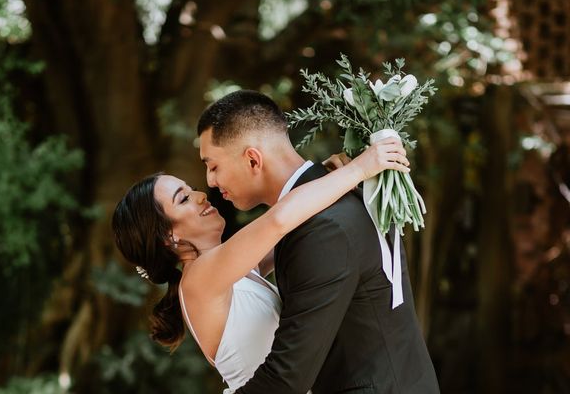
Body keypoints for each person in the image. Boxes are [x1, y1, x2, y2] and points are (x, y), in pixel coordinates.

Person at [112, 122, 409, 391]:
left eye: (191, 190)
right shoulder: (199, 281)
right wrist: (359, 168)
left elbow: (294, 226)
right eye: (184, 198)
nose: (201, 195)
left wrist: (326, 175)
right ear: (168, 236)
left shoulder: (229, 272)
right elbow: (278, 221)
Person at [197, 90, 440, 393]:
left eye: (213, 165)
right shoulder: (348, 191)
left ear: (252, 159)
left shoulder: (321, 228)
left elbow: (287, 379)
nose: (209, 181)